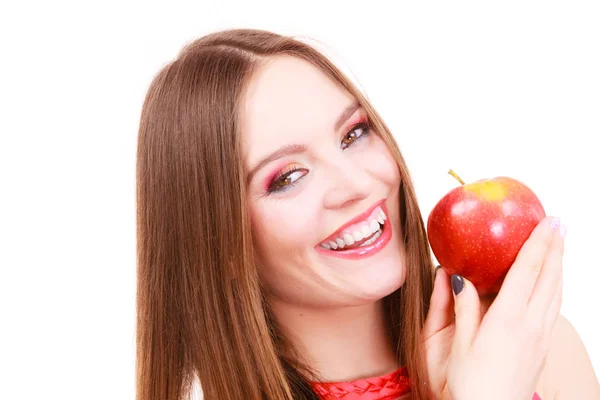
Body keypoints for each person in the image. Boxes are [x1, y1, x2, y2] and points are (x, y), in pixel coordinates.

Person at [135, 28, 600, 400]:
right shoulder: (508, 370)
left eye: (353, 134)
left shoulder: (528, 346)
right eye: (288, 177)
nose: (358, 183)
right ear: (220, 245)